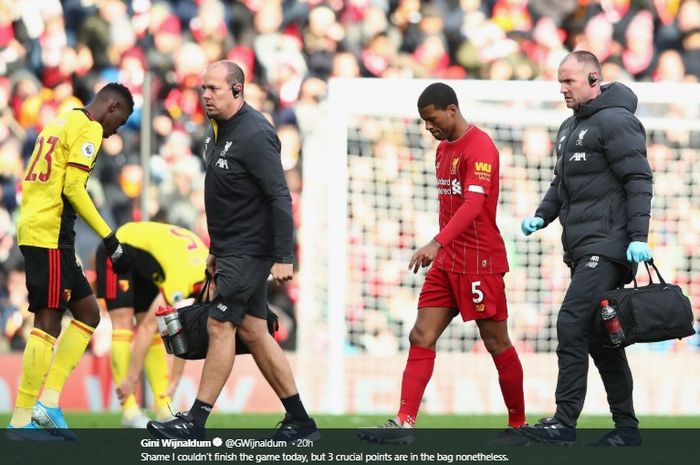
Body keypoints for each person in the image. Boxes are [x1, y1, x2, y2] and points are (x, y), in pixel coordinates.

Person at [147, 60, 318, 442]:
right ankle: (300, 421)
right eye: (202, 89)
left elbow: (279, 195)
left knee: (220, 323)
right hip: (230, 250)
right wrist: (215, 250)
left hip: (252, 251)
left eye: (214, 89)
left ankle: (194, 421)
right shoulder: (216, 130)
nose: (205, 95)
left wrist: (284, 255)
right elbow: (229, 198)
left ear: (237, 90)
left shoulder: (256, 134)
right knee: (256, 331)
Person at [358, 82, 527, 446]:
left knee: (496, 342)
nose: (428, 128)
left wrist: (436, 242)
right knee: (421, 335)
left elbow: (473, 205)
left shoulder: (480, 147)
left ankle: (518, 426)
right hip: (448, 262)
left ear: (451, 109)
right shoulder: (442, 150)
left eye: (432, 119)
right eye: (424, 122)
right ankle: (404, 424)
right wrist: (442, 247)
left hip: (479, 261)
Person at [519, 50, 653, 447]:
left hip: (609, 247)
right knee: (601, 338)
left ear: (594, 79)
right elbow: (560, 184)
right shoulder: (567, 127)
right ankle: (627, 430)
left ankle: (563, 422)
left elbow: (638, 179)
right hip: (581, 249)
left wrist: (638, 238)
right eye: (559, 82)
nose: (562, 89)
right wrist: (542, 216)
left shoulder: (617, 122)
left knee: (570, 322)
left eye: (569, 82)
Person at [7, 83, 134, 441]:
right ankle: (19, 422)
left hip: (44, 229)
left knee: (89, 314)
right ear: (112, 106)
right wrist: (111, 239)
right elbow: (74, 189)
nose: (114, 133)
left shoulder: (59, 122)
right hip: (47, 232)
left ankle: (48, 403)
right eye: (119, 122)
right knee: (47, 321)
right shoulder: (90, 127)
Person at [95, 221, 208, 428]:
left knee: (159, 327)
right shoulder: (183, 280)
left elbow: (183, 329)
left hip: (148, 261)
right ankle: (129, 412)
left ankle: (164, 409)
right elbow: (146, 327)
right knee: (125, 324)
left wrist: (175, 380)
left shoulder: (206, 271)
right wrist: (131, 378)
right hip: (120, 249)